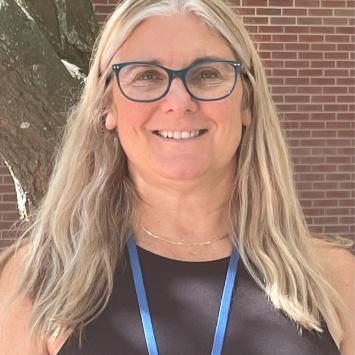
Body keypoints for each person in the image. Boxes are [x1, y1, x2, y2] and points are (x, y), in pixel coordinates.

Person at [0, 0, 353, 354]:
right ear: (106, 106)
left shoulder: (335, 279)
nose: (179, 100)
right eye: (146, 75)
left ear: (247, 103)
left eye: (208, 74)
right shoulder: (36, 281)